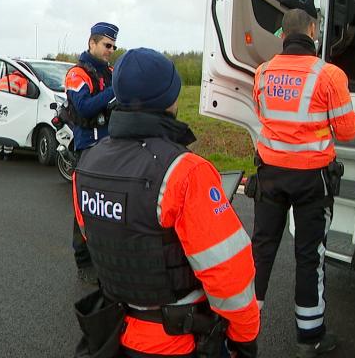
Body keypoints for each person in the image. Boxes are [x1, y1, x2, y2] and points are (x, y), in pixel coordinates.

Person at [73, 48, 259, 358]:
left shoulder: (87, 163)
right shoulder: (186, 171)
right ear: (170, 100)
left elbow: (95, 237)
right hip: (176, 341)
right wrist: (245, 337)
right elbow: (229, 273)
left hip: (113, 334)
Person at [250, 9, 355, 357]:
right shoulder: (329, 74)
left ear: (283, 35)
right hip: (312, 178)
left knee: (261, 250)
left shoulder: (263, 72)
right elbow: (348, 131)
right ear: (312, 31)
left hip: (270, 174)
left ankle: (243, 328)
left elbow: (263, 114)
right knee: (310, 256)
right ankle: (310, 336)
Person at [65, 22, 119, 283]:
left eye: (114, 46)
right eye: (107, 45)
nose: (111, 50)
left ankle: (107, 256)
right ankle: (84, 260)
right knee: (85, 206)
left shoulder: (111, 72)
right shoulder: (77, 74)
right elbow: (85, 107)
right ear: (92, 43)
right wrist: (114, 90)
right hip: (87, 148)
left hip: (112, 147)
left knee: (112, 205)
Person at [0, 69, 30, 160]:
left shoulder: (3, 78)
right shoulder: (23, 80)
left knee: (0, 129)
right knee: (9, 130)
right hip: (11, 106)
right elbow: (23, 95)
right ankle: (7, 154)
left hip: (0, 106)